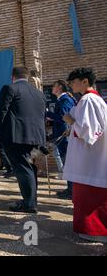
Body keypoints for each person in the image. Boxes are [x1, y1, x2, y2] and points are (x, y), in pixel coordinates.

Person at [0, 66, 46, 213]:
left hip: (17, 137)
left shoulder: (9, 89)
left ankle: (29, 204)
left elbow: (1, 111)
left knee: (23, 168)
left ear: (13, 76)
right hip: (36, 138)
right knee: (31, 168)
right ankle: (30, 200)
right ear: (27, 77)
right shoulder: (39, 93)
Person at [63, 68, 107, 243]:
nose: (71, 85)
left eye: (73, 82)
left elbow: (91, 133)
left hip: (90, 161)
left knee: (90, 196)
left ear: (85, 82)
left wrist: (71, 121)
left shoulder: (88, 100)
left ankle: (94, 230)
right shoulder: (94, 100)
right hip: (91, 159)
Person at [46, 80, 76, 199]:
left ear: (59, 87)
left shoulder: (64, 100)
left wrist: (48, 114)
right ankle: (70, 189)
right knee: (66, 163)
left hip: (64, 137)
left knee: (68, 164)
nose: (52, 88)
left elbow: (64, 117)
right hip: (62, 136)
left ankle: (71, 190)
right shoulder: (62, 100)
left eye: (53, 86)